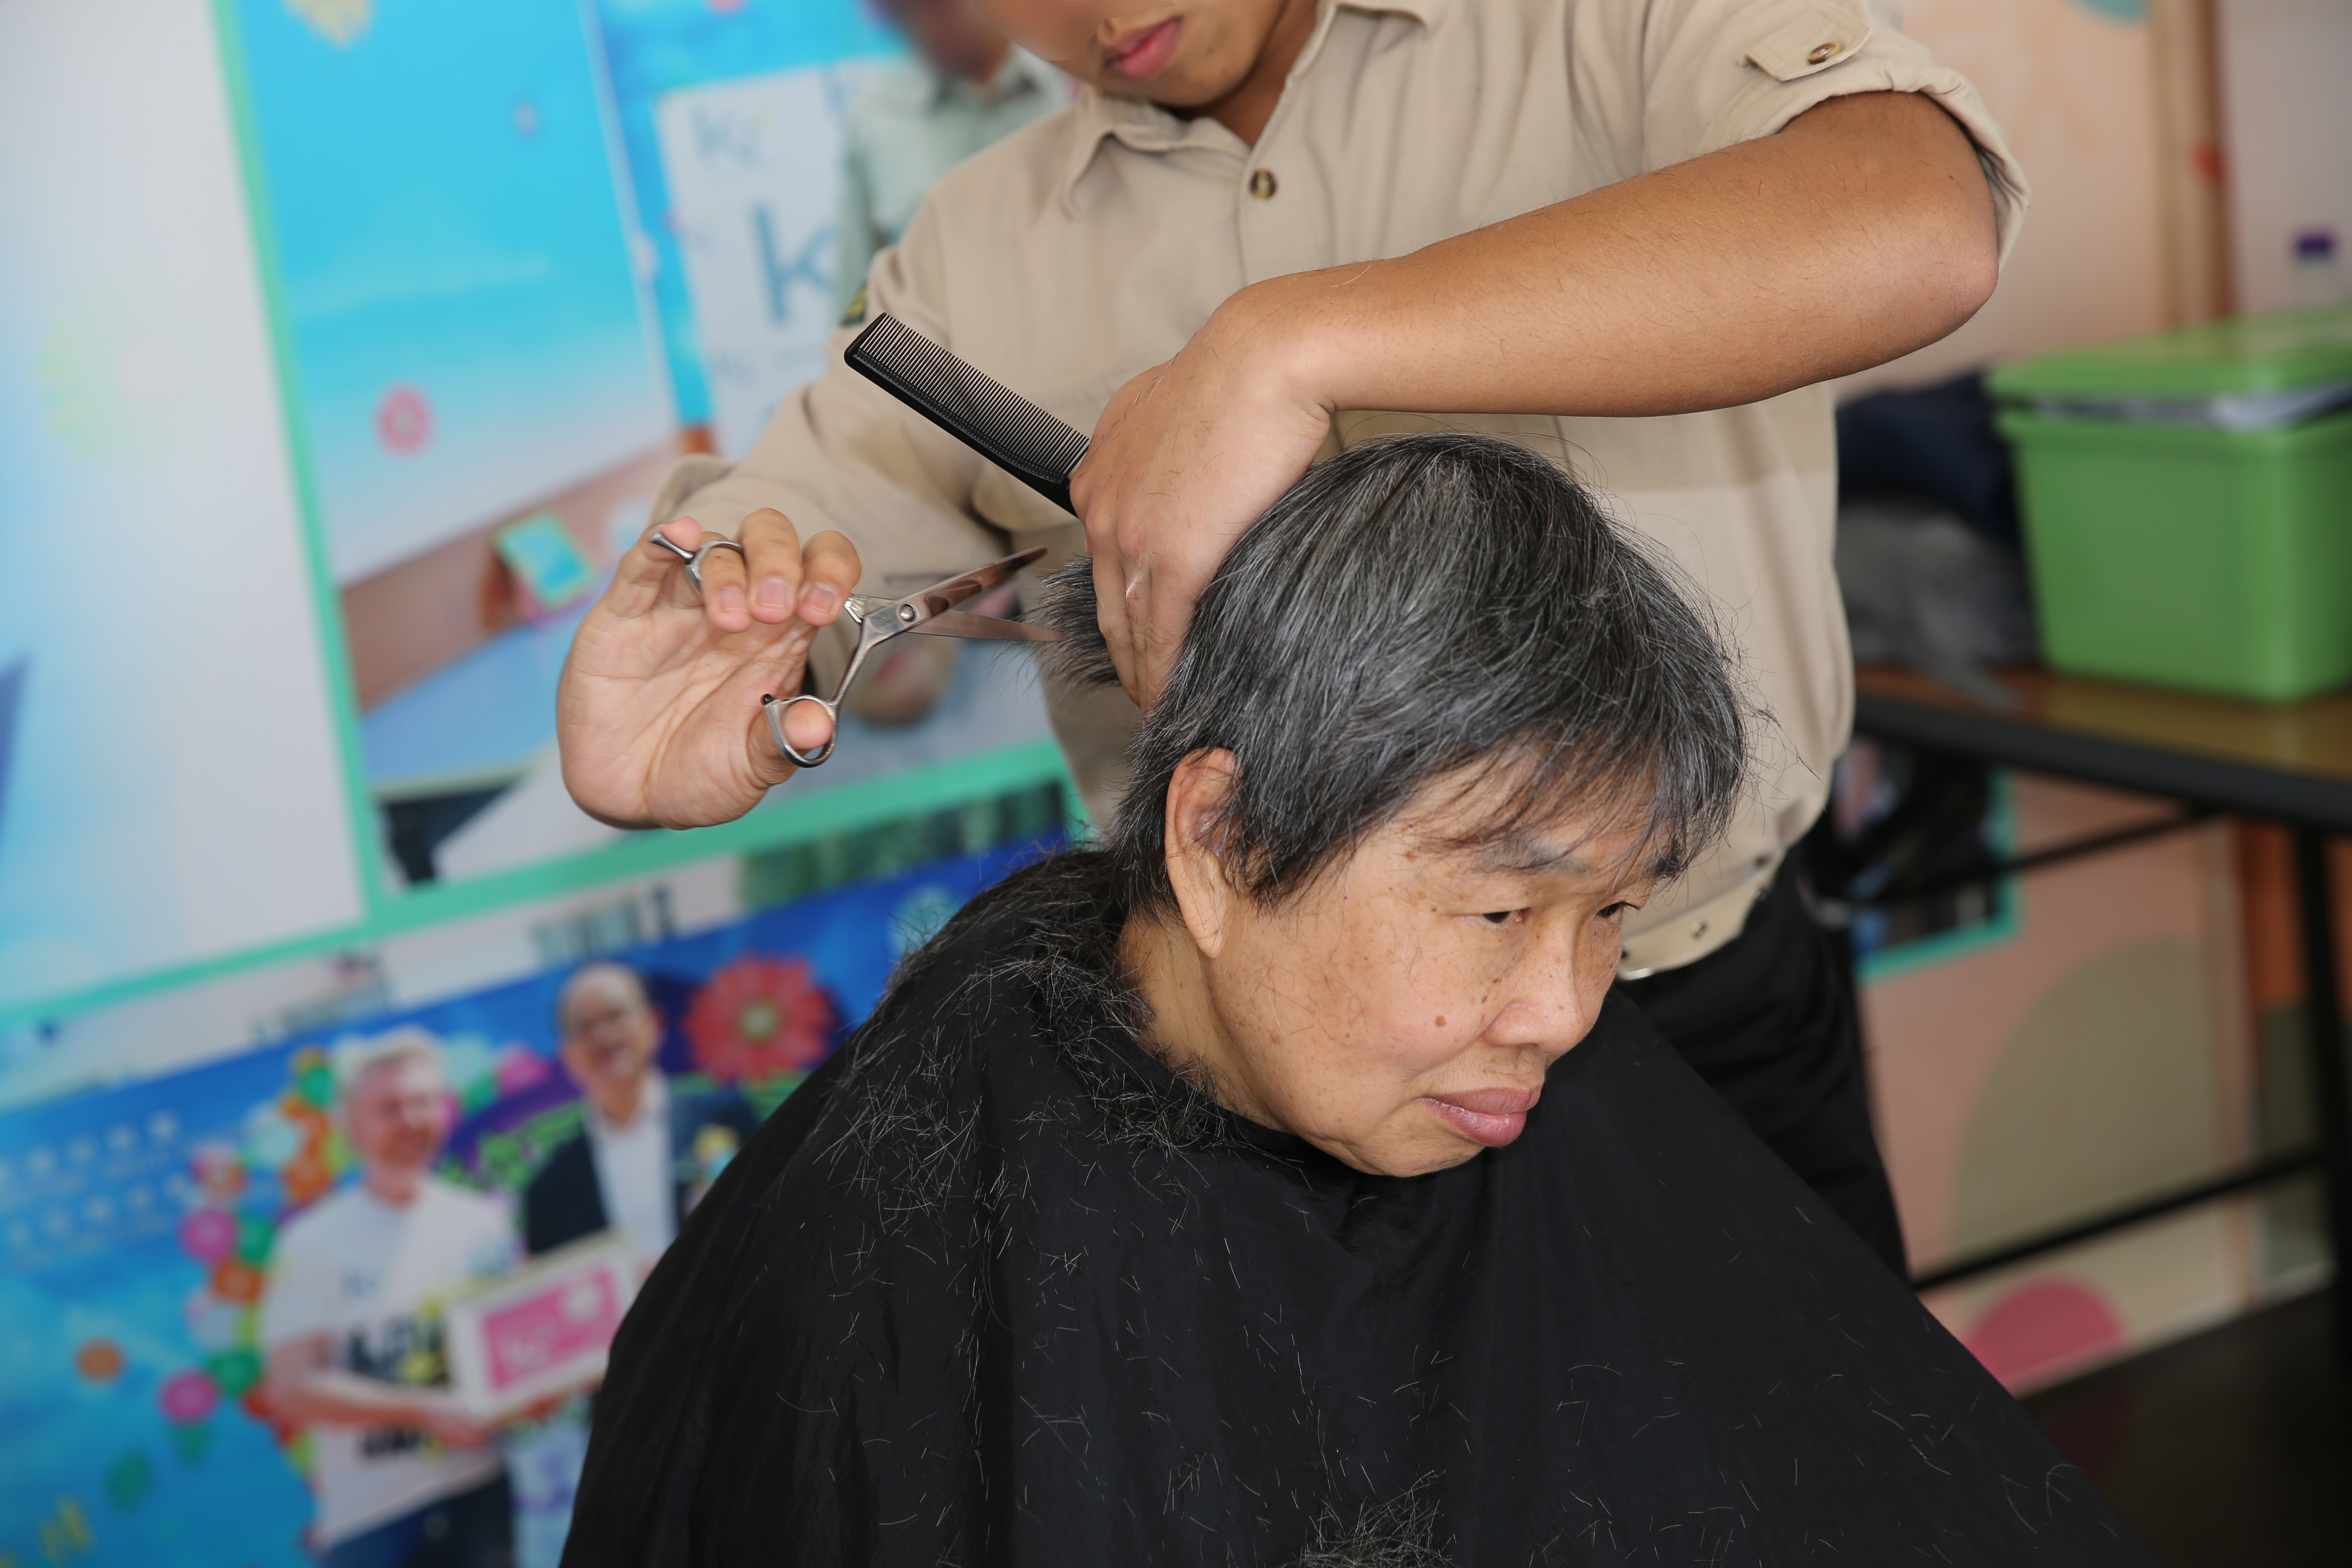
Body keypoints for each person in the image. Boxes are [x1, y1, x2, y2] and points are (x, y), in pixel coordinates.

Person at [556, 0, 2036, 1274]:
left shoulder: (1597, 30)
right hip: (1268, 1111)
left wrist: (1291, 343)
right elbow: (793, 521)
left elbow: (1911, 215)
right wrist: (713, 619)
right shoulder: (978, 256)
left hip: (1697, 1016)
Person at [558, 436, 2150, 1565]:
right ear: (1217, 838)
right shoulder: (918, 1219)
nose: (1560, 1007)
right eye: (1495, 907)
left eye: (1611, 912)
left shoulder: (1546, 1091)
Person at [259, 1029, 518, 1568]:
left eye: (423, 1102)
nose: (412, 1120)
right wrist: (423, 1410)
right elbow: (293, 1388)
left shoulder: (484, 1224)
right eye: (390, 1108)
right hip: (373, 1522)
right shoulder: (310, 1242)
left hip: (484, 1497)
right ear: (353, 1127)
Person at [835, 0, 1062, 321]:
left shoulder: (1072, 79)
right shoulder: (876, 116)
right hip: (954, 363)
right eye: (900, 14)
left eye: (936, 7)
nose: (924, 29)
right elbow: (858, 293)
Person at [521, 963, 761, 1263]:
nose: (603, 1036)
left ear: (652, 1023)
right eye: (583, 1027)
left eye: (615, 1015)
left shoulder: (728, 1119)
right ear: (566, 1054)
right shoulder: (550, 1190)